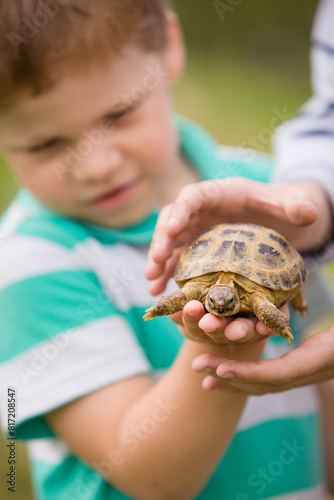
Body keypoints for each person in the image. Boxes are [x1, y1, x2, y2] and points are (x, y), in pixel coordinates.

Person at [0, 1, 328, 499]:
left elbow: (313, 359)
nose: (96, 164)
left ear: (170, 47)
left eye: (118, 114)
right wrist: (217, 341)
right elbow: (152, 479)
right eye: (46, 144)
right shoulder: (29, 266)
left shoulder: (269, 192)